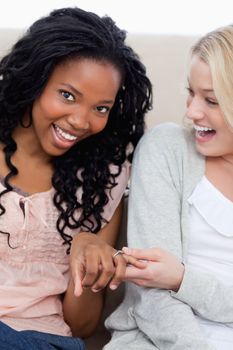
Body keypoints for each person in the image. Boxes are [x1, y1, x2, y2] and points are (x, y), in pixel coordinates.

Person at [0, 6, 152, 350]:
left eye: (101, 108)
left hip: (44, 340)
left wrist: (85, 253)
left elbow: (82, 324)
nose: (82, 121)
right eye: (67, 96)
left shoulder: (103, 182)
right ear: (35, 81)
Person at [104, 24, 233, 350]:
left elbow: (169, 278)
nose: (191, 112)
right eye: (191, 92)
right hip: (156, 341)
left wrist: (182, 279)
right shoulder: (167, 148)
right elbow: (150, 293)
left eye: (212, 100)